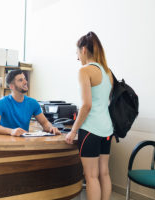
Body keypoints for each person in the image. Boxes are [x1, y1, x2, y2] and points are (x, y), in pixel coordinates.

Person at [65, 31, 114, 200]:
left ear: (84, 50)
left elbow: (86, 105)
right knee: (104, 173)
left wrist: (73, 131)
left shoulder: (85, 71)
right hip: (107, 129)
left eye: (77, 53)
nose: (77, 57)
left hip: (91, 129)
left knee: (91, 176)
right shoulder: (108, 72)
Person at [0, 69, 61, 136]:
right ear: (11, 86)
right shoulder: (1, 103)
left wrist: (51, 128)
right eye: (20, 80)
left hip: (24, 142)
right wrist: (11, 131)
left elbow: (45, 123)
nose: (25, 82)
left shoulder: (33, 103)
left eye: (25, 79)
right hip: (5, 142)